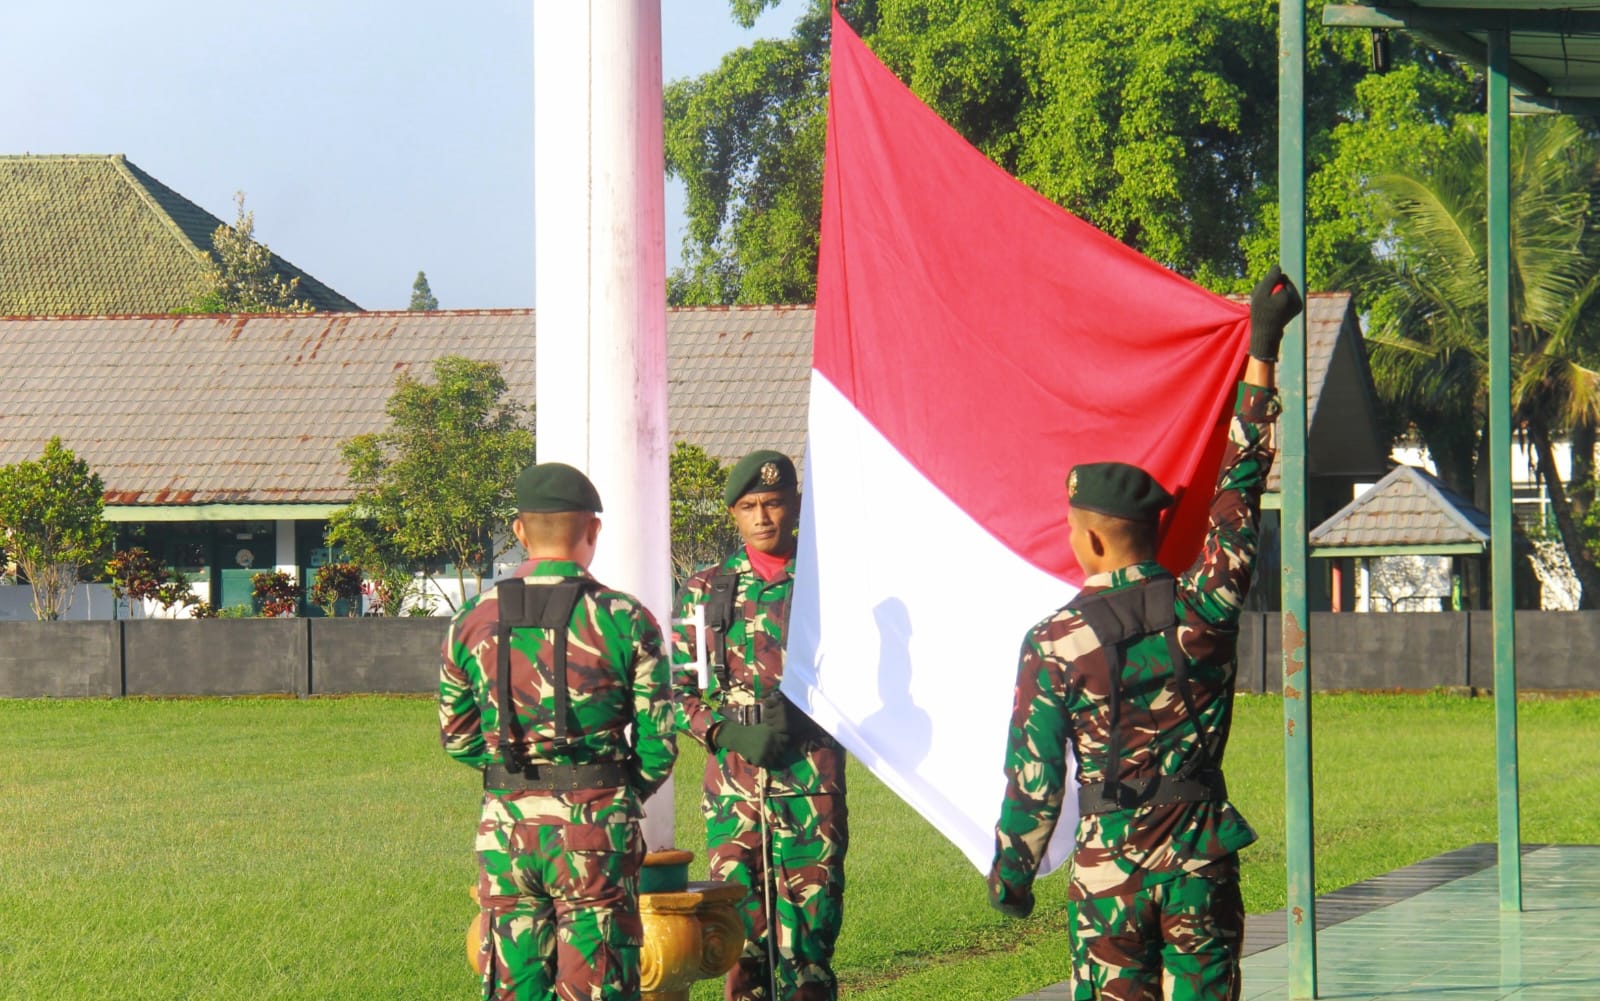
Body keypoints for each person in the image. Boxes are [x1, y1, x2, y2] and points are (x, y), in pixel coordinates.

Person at [987, 267, 1302, 1001]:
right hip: (1200, 862)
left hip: (1110, 878)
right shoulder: (1207, 604)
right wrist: (1262, 349)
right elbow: (1239, 488)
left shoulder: (1055, 641)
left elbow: (1035, 779)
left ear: (1091, 540)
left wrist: (1013, 873)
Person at [440, 461, 676, 1001]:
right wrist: (614, 792)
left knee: (515, 985)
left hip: (507, 830)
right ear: (593, 529)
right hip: (597, 827)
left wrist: (514, 776)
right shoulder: (625, 618)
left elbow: (459, 738)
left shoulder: (471, 620)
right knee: (598, 982)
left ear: (519, 531)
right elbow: (659, 745)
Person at [672, 449, 847, 1001]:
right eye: (749, 507)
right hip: (734, 786)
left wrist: (806, 707)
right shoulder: (705, 590)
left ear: (795, 505)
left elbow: (867, 677)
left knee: (810, 942)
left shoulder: (828, 584)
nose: (763, 517)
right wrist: (725, 732)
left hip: (809, 778)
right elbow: (673, 690)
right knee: (738, 939)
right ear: (733, 513)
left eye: (773, 503)